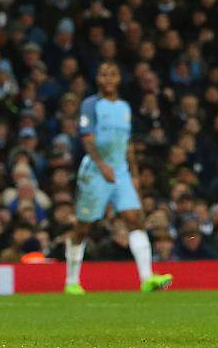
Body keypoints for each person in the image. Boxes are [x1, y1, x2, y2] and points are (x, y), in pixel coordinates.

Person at [65, 61, 172, 294]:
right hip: (95, 171)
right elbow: (87, 139)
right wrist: (102, 165)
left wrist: (134, 174)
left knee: (135, 218)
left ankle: (147, 278)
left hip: (121, 171)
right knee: (83, 226)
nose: (108, 79)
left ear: (118, 79)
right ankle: (71, 281)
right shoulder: (91, 104)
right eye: (104, 74)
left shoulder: (124, 107)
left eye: (112, 74)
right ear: (98, 79)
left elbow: (127, 144)